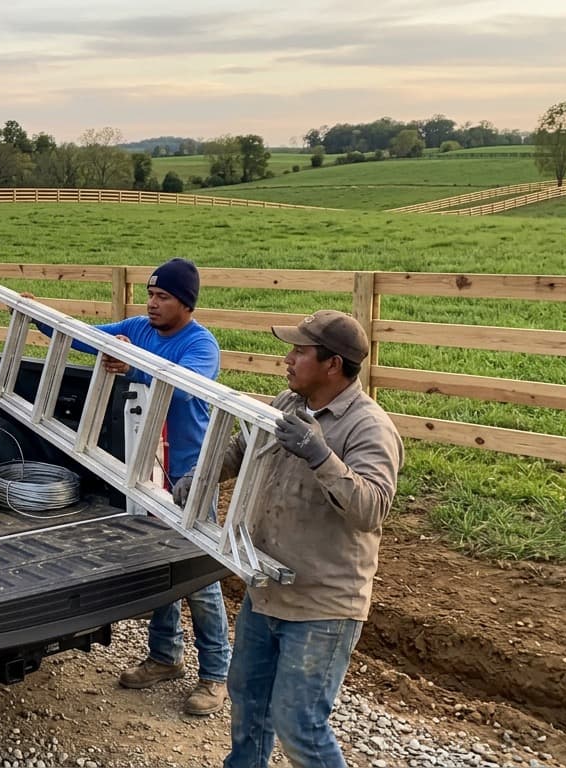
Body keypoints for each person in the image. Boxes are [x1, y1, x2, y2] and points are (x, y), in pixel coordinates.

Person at [25, 257, 231, 716]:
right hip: (144, 471)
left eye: (164, 298)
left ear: (186, 304)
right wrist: (41, 315)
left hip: (187, 476)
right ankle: (164, 656)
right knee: (157, 565)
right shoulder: (139, 327)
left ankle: (216, 676)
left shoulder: (201, 345)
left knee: (197, 575)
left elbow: (184, 385)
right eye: (151, 295)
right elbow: (86, 335)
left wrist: (133, 363)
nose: (153, 304)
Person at [210, 310, 403, 768]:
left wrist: (321, 456)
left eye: (300, 351)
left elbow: (372, 508)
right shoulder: (288, 403)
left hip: (322, 604)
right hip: (268, 588)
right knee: (249, 704)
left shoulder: (369, 428)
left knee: (299, 725)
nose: (288, 359)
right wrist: (199, 478)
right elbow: (242, 447)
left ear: (332, 365)